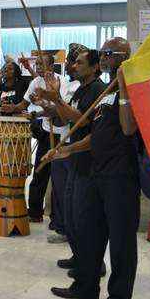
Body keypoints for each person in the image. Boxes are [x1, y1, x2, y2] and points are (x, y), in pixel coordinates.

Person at [48, 37, 139, 299]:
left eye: (108, 53)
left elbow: (127, 128)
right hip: (98, 171)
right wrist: (68, 149)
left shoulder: (130, 86)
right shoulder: (105, 93)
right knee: (90, 231)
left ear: (123, 56)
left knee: (122, 242)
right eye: (103, 53)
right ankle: (86, 286)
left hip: (121, 176)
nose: (103, 57)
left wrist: (124, 84)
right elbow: (95, 134)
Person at [39, 49, 108, 276]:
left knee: (84, 216)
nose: (73, 66)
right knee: (71, 214)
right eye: (74, 62)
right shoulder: (81, 89)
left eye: (79, 63)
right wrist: (53, 102)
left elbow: (84, 120)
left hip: (88, 162)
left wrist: (57, 98)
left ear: (95, 67)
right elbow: (66, 116)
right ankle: (80, 256)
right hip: (73, 161)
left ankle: (94, 264)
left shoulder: (98, 90)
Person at [3, 53, 72, 223]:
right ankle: (34, 212)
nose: (38, 67)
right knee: (40, 172)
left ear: (51, 66)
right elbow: (23, 104)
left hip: (60, 133)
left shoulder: (62, 81)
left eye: (42, 64)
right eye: (37, 64)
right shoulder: (35, 82)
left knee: (58, 178)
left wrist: (45, 102)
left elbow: (60, 107)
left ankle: (58, 218)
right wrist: (11, 108)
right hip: (45, 130)